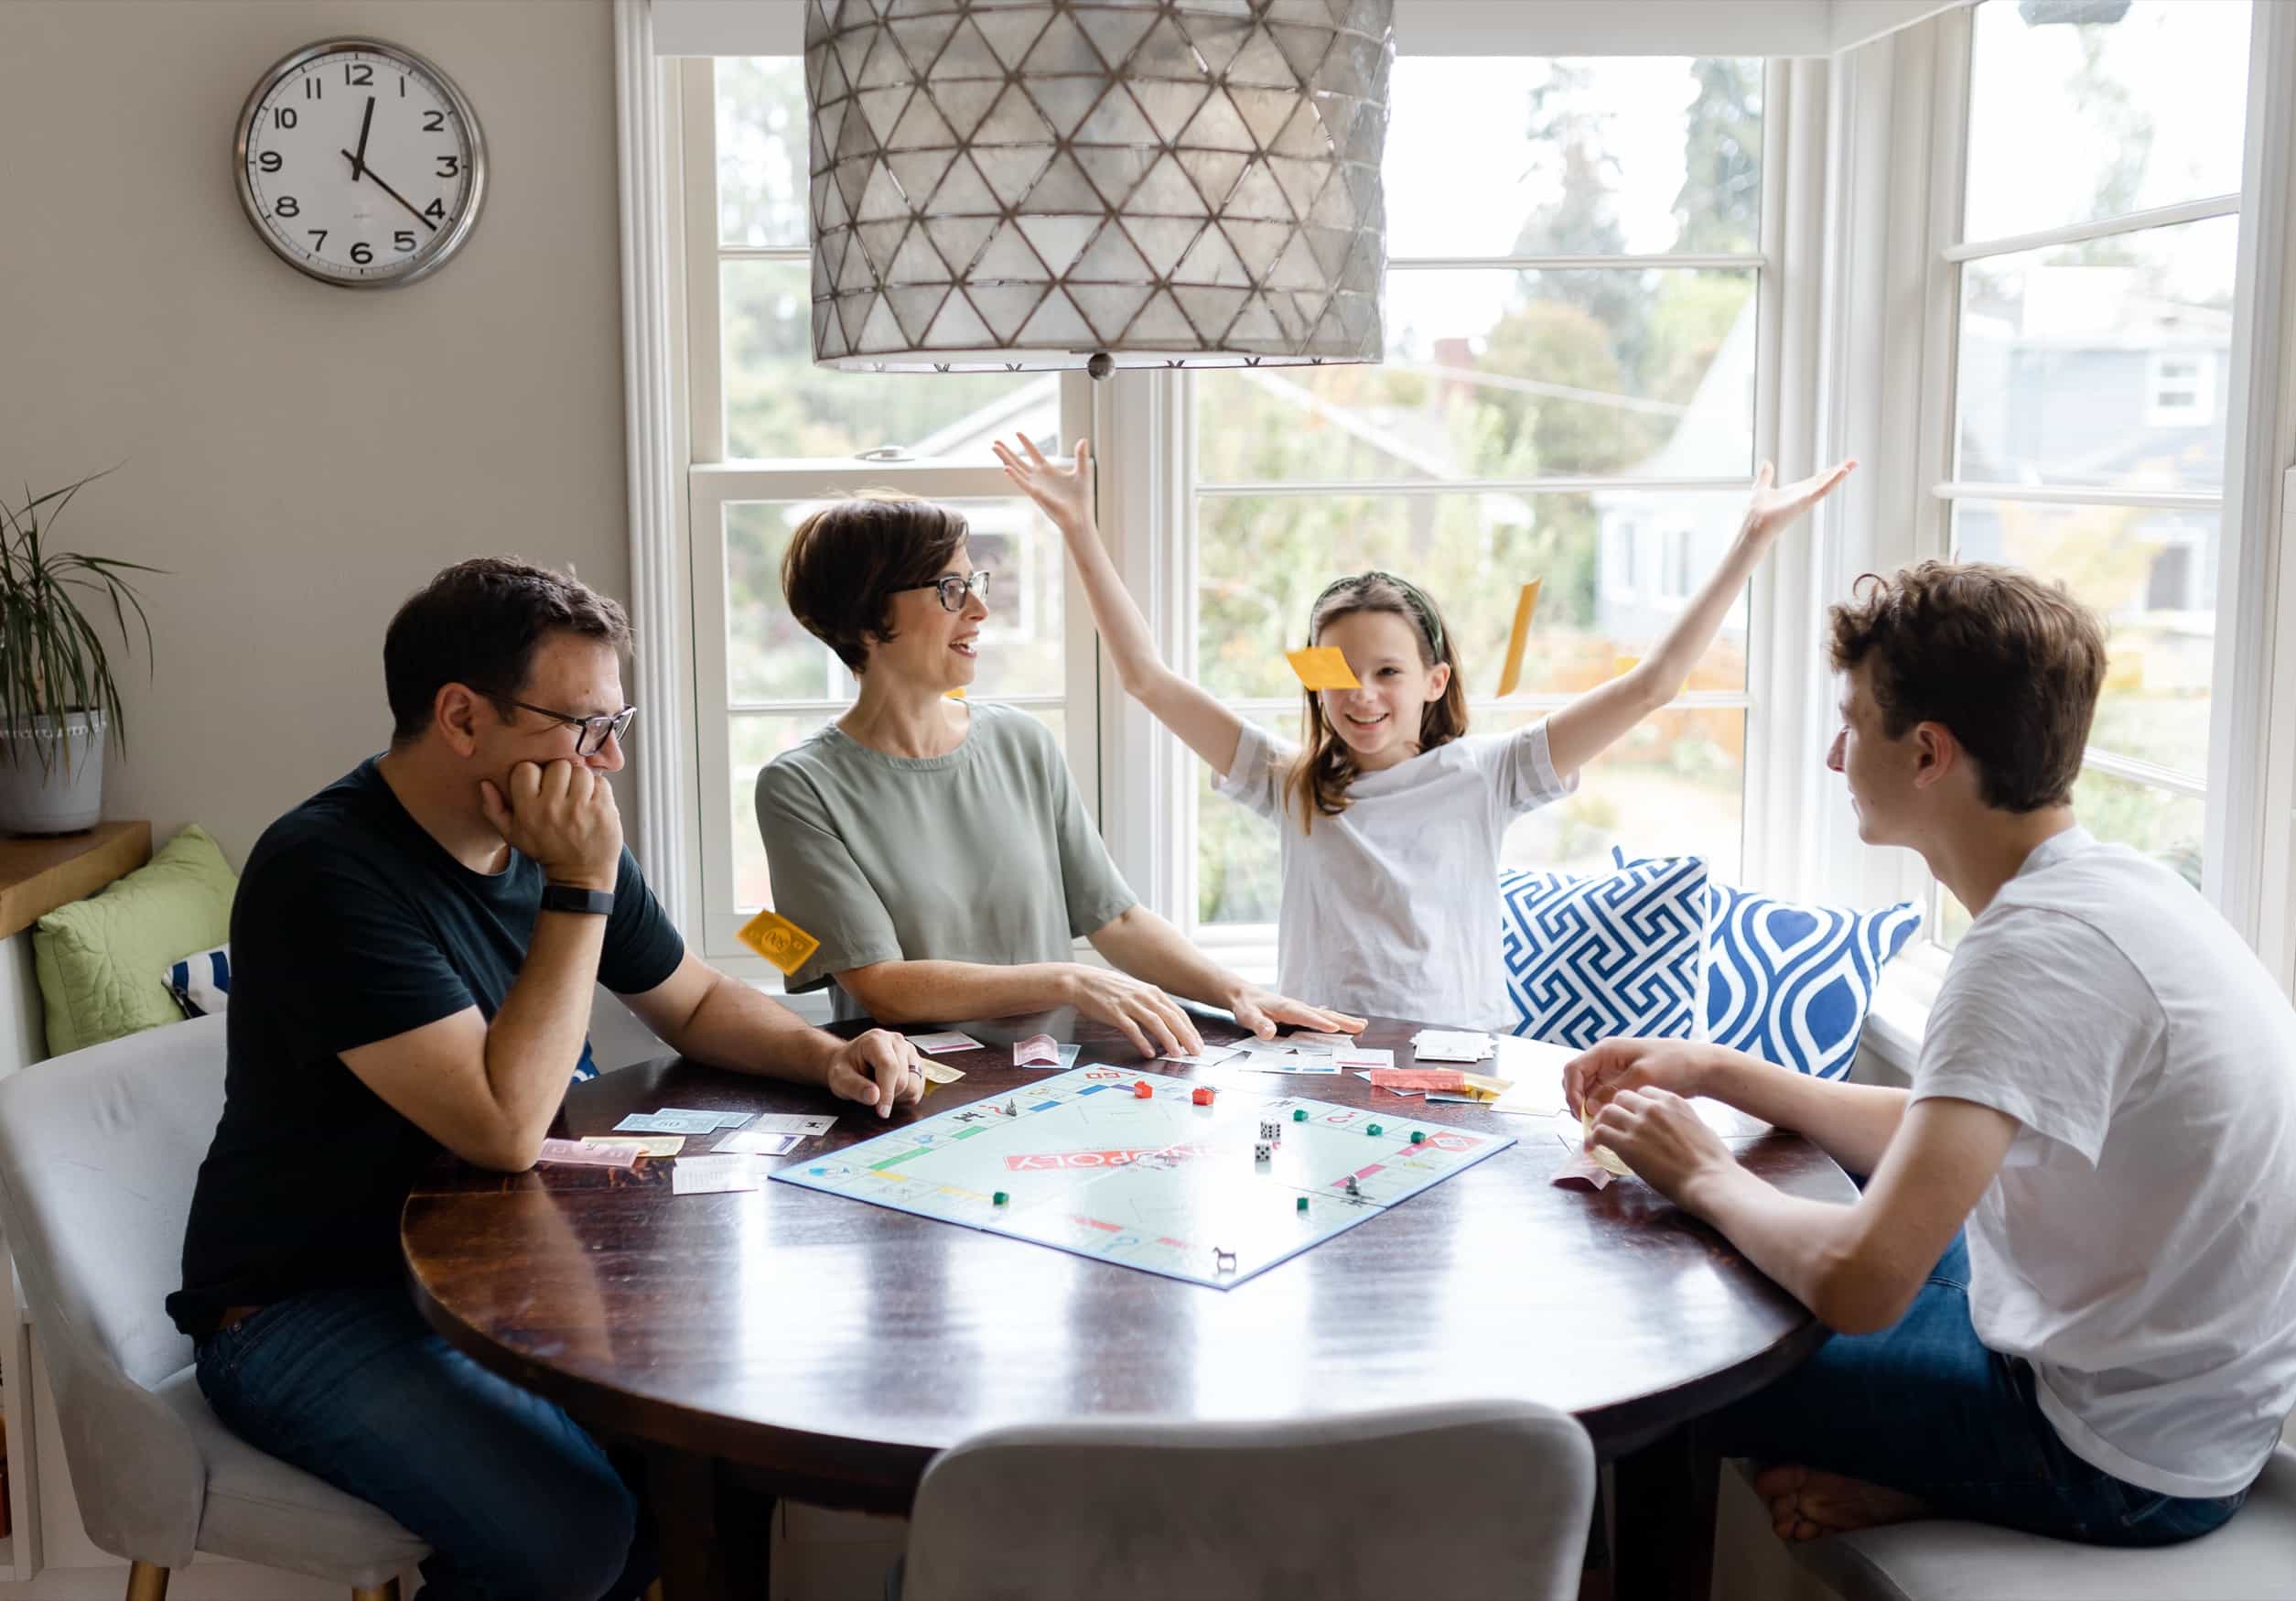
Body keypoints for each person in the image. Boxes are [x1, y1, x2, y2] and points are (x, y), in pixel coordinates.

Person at [170, 558, 927, 1601]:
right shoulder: (325, 871)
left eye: (618, 724)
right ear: (460, 717)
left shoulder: (547, 827)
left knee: (712, 1469)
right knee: (574, 1538)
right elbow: (504, 1126)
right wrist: (579, 884)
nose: (607, 762)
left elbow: (694, 1001)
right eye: (581, 725)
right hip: (309, 1305)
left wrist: (830, 1052)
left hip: (499, 1274)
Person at [1569, 560, 2296, 1547]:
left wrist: (1703, 1170)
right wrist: (1721, 1070)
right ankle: (1911, 1475)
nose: (1833, 756)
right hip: (2170, 1398)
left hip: (2115, 1460)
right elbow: (1955, 1125)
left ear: (1929, 753)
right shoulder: (2108, 889)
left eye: (1851, 723)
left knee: (1662, 1354)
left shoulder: (2031, 951)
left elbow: (1859, 1283)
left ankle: (1963, 1480)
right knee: (1742, 1259)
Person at [998, 433, 1854, 1033]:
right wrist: (1078, 527)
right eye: (1340, 674)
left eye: (1388, 673)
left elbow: (1655, 684)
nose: (1363, 696)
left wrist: (1749, 538)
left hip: (1460, 1055)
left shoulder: (1491, 773)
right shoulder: (1289, 781)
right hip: (1320, 1050)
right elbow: (1147, 676)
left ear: (1436, 681)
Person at [756, 493, 1358, 1056]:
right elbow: (881, 984)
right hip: (908, 1102)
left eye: (975, 582)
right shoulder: (800, 787)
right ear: (866, 617)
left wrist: (1234, 991)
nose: (980, 608)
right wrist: (1070, 979)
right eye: (949, 589)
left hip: (1050, 1083)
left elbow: (1116, 918)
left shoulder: (1021, 741)